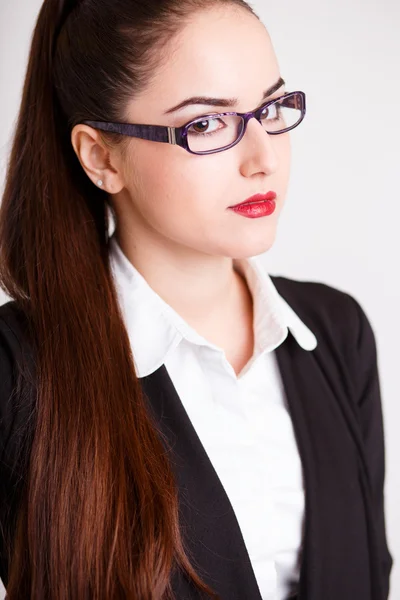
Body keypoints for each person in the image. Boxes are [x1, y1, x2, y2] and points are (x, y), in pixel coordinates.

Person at [0, 0, 393, 598]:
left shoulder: (335, 332)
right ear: (102, 156)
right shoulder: (16, 372)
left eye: (271, 108)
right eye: (208, 124)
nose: (263, 159)